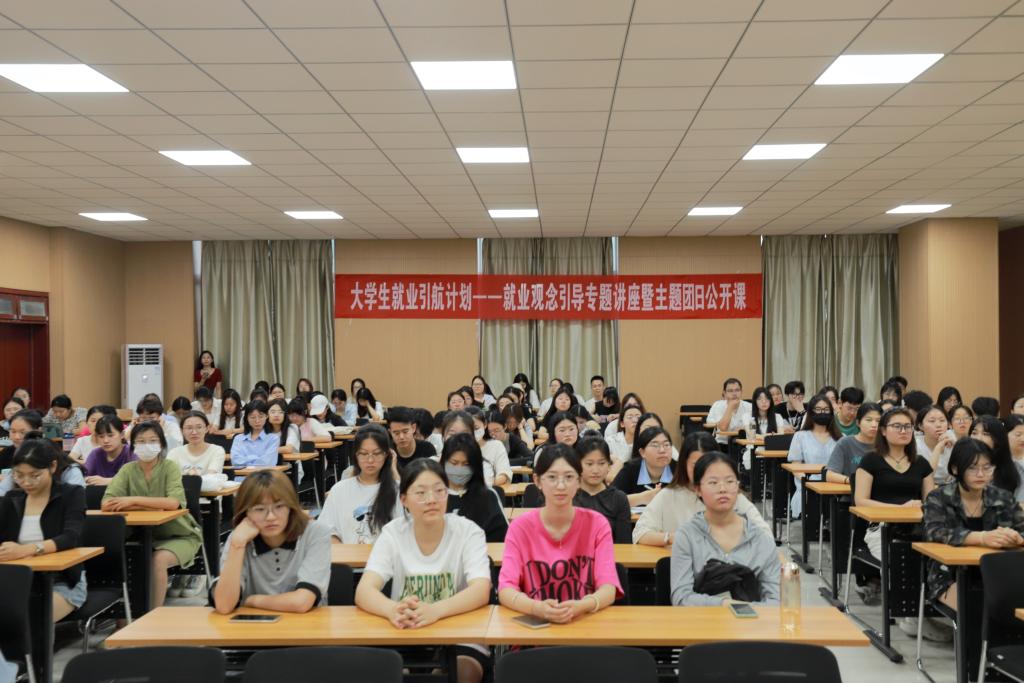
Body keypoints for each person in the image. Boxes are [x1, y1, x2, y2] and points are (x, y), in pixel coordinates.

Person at [356, 459, 492, 683]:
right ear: (404, 499)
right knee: (385, 671)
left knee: (464, 672)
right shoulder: (393, 533)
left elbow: (481, 589)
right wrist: (392, 610)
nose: (431, 500)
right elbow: (364, 590)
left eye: (439, 491)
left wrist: (435, 610)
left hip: (459, 631)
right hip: (405, 630)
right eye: (420, 493)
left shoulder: (468, 532)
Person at [498, 444, 622, 622]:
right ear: (537, 480)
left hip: (584, 624)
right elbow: (506, 589)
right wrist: (536, 608)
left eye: (569, 477)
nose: (561, 485)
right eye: (552, 477)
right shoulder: (520, 527)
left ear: (579, 481)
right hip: (535, 628)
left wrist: (583, 605)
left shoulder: (597, 524)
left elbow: (608, 587)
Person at [101, 422, 203, 608]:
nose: (146, 445)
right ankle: (127, 613)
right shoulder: (127, 470)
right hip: (137, 536)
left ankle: (154, 614)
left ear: (161, 444)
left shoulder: (169, 467)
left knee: (158, 560)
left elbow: (173, 503)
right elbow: (106, 504)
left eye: (152, 441)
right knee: (119, 556)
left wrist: (132, 501)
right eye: (140, 441)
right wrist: (150, 507)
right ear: (132, 445)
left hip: (178, 535)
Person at [924, 438, 1024, 610]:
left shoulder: (1002, 497)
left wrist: (1017, 539)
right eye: (972, 468)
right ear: (955, 468)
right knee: (974, 606)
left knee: (1008, 604)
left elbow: (1021, 529)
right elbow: (934, 532)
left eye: (987, 468)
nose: (981, 474)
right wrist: (982, 538)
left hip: (999, 572)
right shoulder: (938, 497)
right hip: (950, 574)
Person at [670, 452, 780, 606]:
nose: (722, 489)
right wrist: (725, 605)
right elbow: (681, 598)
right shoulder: (687, 536)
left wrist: (742, 610)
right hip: (702, 620)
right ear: (698, 489)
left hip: (752, 620)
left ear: (738, 485)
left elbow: (776, 601)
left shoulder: (761, 539)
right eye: (713, 482)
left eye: (729, 481)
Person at [212, 470, 330, 614]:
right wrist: (237, 545)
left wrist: (251, 600)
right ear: (245, 512)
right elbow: (224, 605)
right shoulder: (239, 538)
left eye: (279, 506)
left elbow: (302, 602)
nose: (271, 517)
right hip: (252, 625)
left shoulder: (316, 533)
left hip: (307, 625)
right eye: (260, 509)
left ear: (291, 507)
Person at [0, 436, 87, 621]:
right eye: (19, 475)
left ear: (53, 467)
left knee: (29, 619)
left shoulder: (71, 494)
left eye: (35, 475)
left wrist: (26, 550)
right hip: (16, 579)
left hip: (62, 581)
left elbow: (70, 537)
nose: (26, 482)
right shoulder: (12, 498)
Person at [634, 432, 770, 547]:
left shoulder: (731, 495)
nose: (703, 471)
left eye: (709, 465)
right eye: (696, 465)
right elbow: (640, 533)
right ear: (684, 465)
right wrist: (671, 538)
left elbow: (765, 535)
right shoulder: (669, 495)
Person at [319, 429, 400, 544]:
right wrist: (344, 552)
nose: (370, 460)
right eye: (364, 454)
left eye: (377, 453)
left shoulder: (398, 490)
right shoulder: (339, 490)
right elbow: (326, 531)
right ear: (356, 455)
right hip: (348, 554)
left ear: (386, 455)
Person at [441, 434, 507, 542]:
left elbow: (502, 540)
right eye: (454, 463)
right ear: (444, 462)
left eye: (466, 464)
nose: (459, 469)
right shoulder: (434, 495)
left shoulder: (487, 496)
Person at [787, 394, 840, 517]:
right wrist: (808, 482)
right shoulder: (800, 436)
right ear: (811, 412)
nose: (822, 413)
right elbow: (796, 467)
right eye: (818, 409)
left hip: (834, 486)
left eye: (826, 410)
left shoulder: (840, 438)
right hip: (808, 487)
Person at [573, 436, 630, 543]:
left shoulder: (618, 498)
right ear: (577, 465)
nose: (595, 470)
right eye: (589, 464)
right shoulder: (568, 496)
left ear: (609, 465)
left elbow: (624, 544)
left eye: (601, 463)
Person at [612, 426, 677, 506]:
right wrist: (641, 498)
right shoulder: (631, 469)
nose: (662, 450)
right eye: (655, 445)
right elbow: (611, 499)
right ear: (642, 452)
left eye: (666, 445)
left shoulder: (679, 469)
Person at [447, 409, 512, 487]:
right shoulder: (456, 448)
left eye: (476, 428)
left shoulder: (496, 446)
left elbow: (504, 475)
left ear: (485, 424)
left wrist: (485, 484)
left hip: (489, 490)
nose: (473, 433)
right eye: (468, 429)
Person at [826, 403, 882, 486]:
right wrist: (851, 481)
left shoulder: (887, 445)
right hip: (850, 491)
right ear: (858, 423)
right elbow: (829, 475)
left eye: (878, 421)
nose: (874, 425)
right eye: (868, 420)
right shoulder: (845, 443)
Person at [970, 415, 1020, 495]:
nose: (978, 438)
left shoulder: (1016, 470)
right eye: (974, 433)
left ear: (997, 439)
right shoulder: (963, 464)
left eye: (985, 434)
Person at [167, 411, 225, 477]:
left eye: (199, 427)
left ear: (207, 428)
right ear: (182, 431)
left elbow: (211, 477)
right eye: (189, 428)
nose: (194, 432)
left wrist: (193, 478)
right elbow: (168, 478)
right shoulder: (174, 453)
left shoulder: (216, 450)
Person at [229, 400, 280, 475]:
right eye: (252, 417)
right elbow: (235, 461)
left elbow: (268, 463)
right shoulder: (238, 439)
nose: (257, 421)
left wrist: (246, 461)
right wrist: (256, 458)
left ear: (266, 416)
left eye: (261, 417)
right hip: (241, 478)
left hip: (263, 478)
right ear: (247, 418)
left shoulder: (273, 439)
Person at [83, 414, 135, 485]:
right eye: (101, 436)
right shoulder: (95, 454)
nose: (106, 441)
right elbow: (83, 477)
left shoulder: (131, 453)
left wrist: (108, 481)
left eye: (110, 435)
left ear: (122, 434)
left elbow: (137, 480)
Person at [386, 406, 436, 474]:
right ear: (390, 432)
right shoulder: (387, 451)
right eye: (396, 433)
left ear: (413, 428)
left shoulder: (427, 449)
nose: (401, 437)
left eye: (405, 431)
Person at [915, 405, 954, 485]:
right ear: (920, 426)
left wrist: (957, 447)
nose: (938, 425)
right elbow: (926, 478)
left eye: (942, 420)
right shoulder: (915, 446)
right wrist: (938, 447)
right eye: (932, 421)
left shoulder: (953, 439)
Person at [707, 378, 752, 445]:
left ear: (741, 392)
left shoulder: (749, 407)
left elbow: (753, 428)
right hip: (722, 443)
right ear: (724, 393)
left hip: (744, 444)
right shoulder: (717, 405)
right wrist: (730, 406)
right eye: (730, 391)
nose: (734, 394)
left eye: (737, 390)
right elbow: (723, 427)